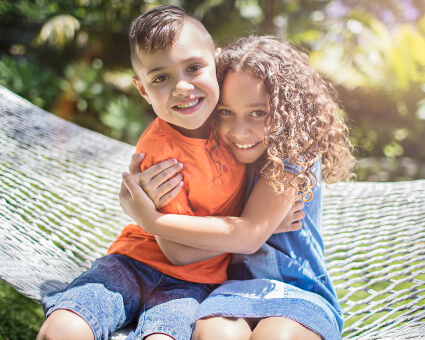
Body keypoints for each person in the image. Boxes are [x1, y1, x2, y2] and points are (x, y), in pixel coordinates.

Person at [119, 36, 355, 339]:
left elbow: (249, 237)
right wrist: (259, 226)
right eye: (226, 112)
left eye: (258, 113)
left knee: (276, 336)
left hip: (298, 288)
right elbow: (182, 251)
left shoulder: (295, 148)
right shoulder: (219, 146)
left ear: (287, 114)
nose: (239, 131)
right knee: (217, 333)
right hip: (228, 289)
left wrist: (150, 219)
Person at [37, 6, 251, 340]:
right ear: (142, 89)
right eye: (161, 77)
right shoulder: (159, 152)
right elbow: (177, 252)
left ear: (217, 63)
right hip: (133, 264)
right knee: (64, 327)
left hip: (193, 285)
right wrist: (254, 234)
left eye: (194, 67)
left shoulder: (241, 131)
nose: (182, 87)